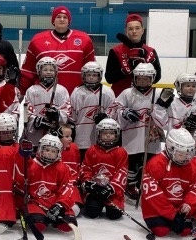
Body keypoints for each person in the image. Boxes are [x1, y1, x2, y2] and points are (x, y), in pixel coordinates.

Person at [111, 63, 170, 202]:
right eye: (140, 78)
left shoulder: (158, 94)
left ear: (152, 78)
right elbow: (113, 110)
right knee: (132, 163)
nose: (143, 81)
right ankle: (130, 186)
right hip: (132, 136)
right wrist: (124, 112)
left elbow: (165, 118)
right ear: (134, 78)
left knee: (150, 163)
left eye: (146, 78)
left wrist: (162, 106)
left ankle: (146, 186)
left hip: (151, 136)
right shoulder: (127, 93)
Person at [141, 128, 196, 240]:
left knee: (185, 231)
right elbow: (153, 195)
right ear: (170, 148)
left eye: (189, 153)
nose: (186, 157)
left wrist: (188, 205)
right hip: (155, 209)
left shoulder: (191, 167)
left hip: (178, 208)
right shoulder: (156, 163)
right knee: (161, 230)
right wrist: (173, 215)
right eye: (181, 154)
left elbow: (194, 189)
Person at [19, 6, 96, 95]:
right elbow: (28, 71)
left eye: (65, 17)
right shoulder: (38, 40)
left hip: (76, 95)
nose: (62, 19)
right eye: (58, 17)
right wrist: (21, 91)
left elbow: (92, 69)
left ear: (69, 21)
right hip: (44, 96)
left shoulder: (84, 39)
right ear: (53, 21)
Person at [18, 134, 79, 235]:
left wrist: (60, 205)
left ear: (59, 153)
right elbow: (21, 185)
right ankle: (43, 218)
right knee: (38, 225)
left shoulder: (62, 168)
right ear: (40, 149)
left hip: (55, 202)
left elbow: (67, 188)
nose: (50, 153)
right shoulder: (31, 165)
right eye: (47, 150)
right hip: (36, 203)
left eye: (53, 151)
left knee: (67, 225)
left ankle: (53, 218)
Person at [80, 118, 128, 221]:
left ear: (117, 134)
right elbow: (86, 168)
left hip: (112, 191)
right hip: (95, 190)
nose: (108, 135)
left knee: (114, 214)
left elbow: (122, 173)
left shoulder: (121, 152)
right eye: (104, 133)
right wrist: (88, 183)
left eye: (111, 133)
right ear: (98, 134)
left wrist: (111, 188)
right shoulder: (92, 150)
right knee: (92, 212)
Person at [105, 13, 161, 96]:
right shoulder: (115, 51)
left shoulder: (151, 52)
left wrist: (144, 67)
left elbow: (157, 77)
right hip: (119, 97)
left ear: (142, 30)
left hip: (144, 97)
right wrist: (127, 68)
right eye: (130, 29)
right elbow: (109, 79)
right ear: (126, 31)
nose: (134, 31)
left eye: (137, 28)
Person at [68, 61, 115, 159]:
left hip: (102, 137)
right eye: (88, 75)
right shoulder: (77, 92)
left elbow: (113, 112)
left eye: (94, 75)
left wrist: (106, 117)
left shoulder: (107, 92)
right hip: (81, 137)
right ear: (83, 76)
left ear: (99, 76)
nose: (91, 77)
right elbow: (72, 116)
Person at [22, 57, 71, 147]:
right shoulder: (31, 90)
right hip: (35, 138)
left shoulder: (61, 90)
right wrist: (37, 121)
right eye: (45, 70)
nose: (48, 72)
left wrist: (57, 114)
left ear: (56, 72)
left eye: (51, 70)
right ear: (39, 72)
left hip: (55, 138)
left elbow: (67, 112)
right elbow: (26, 114)